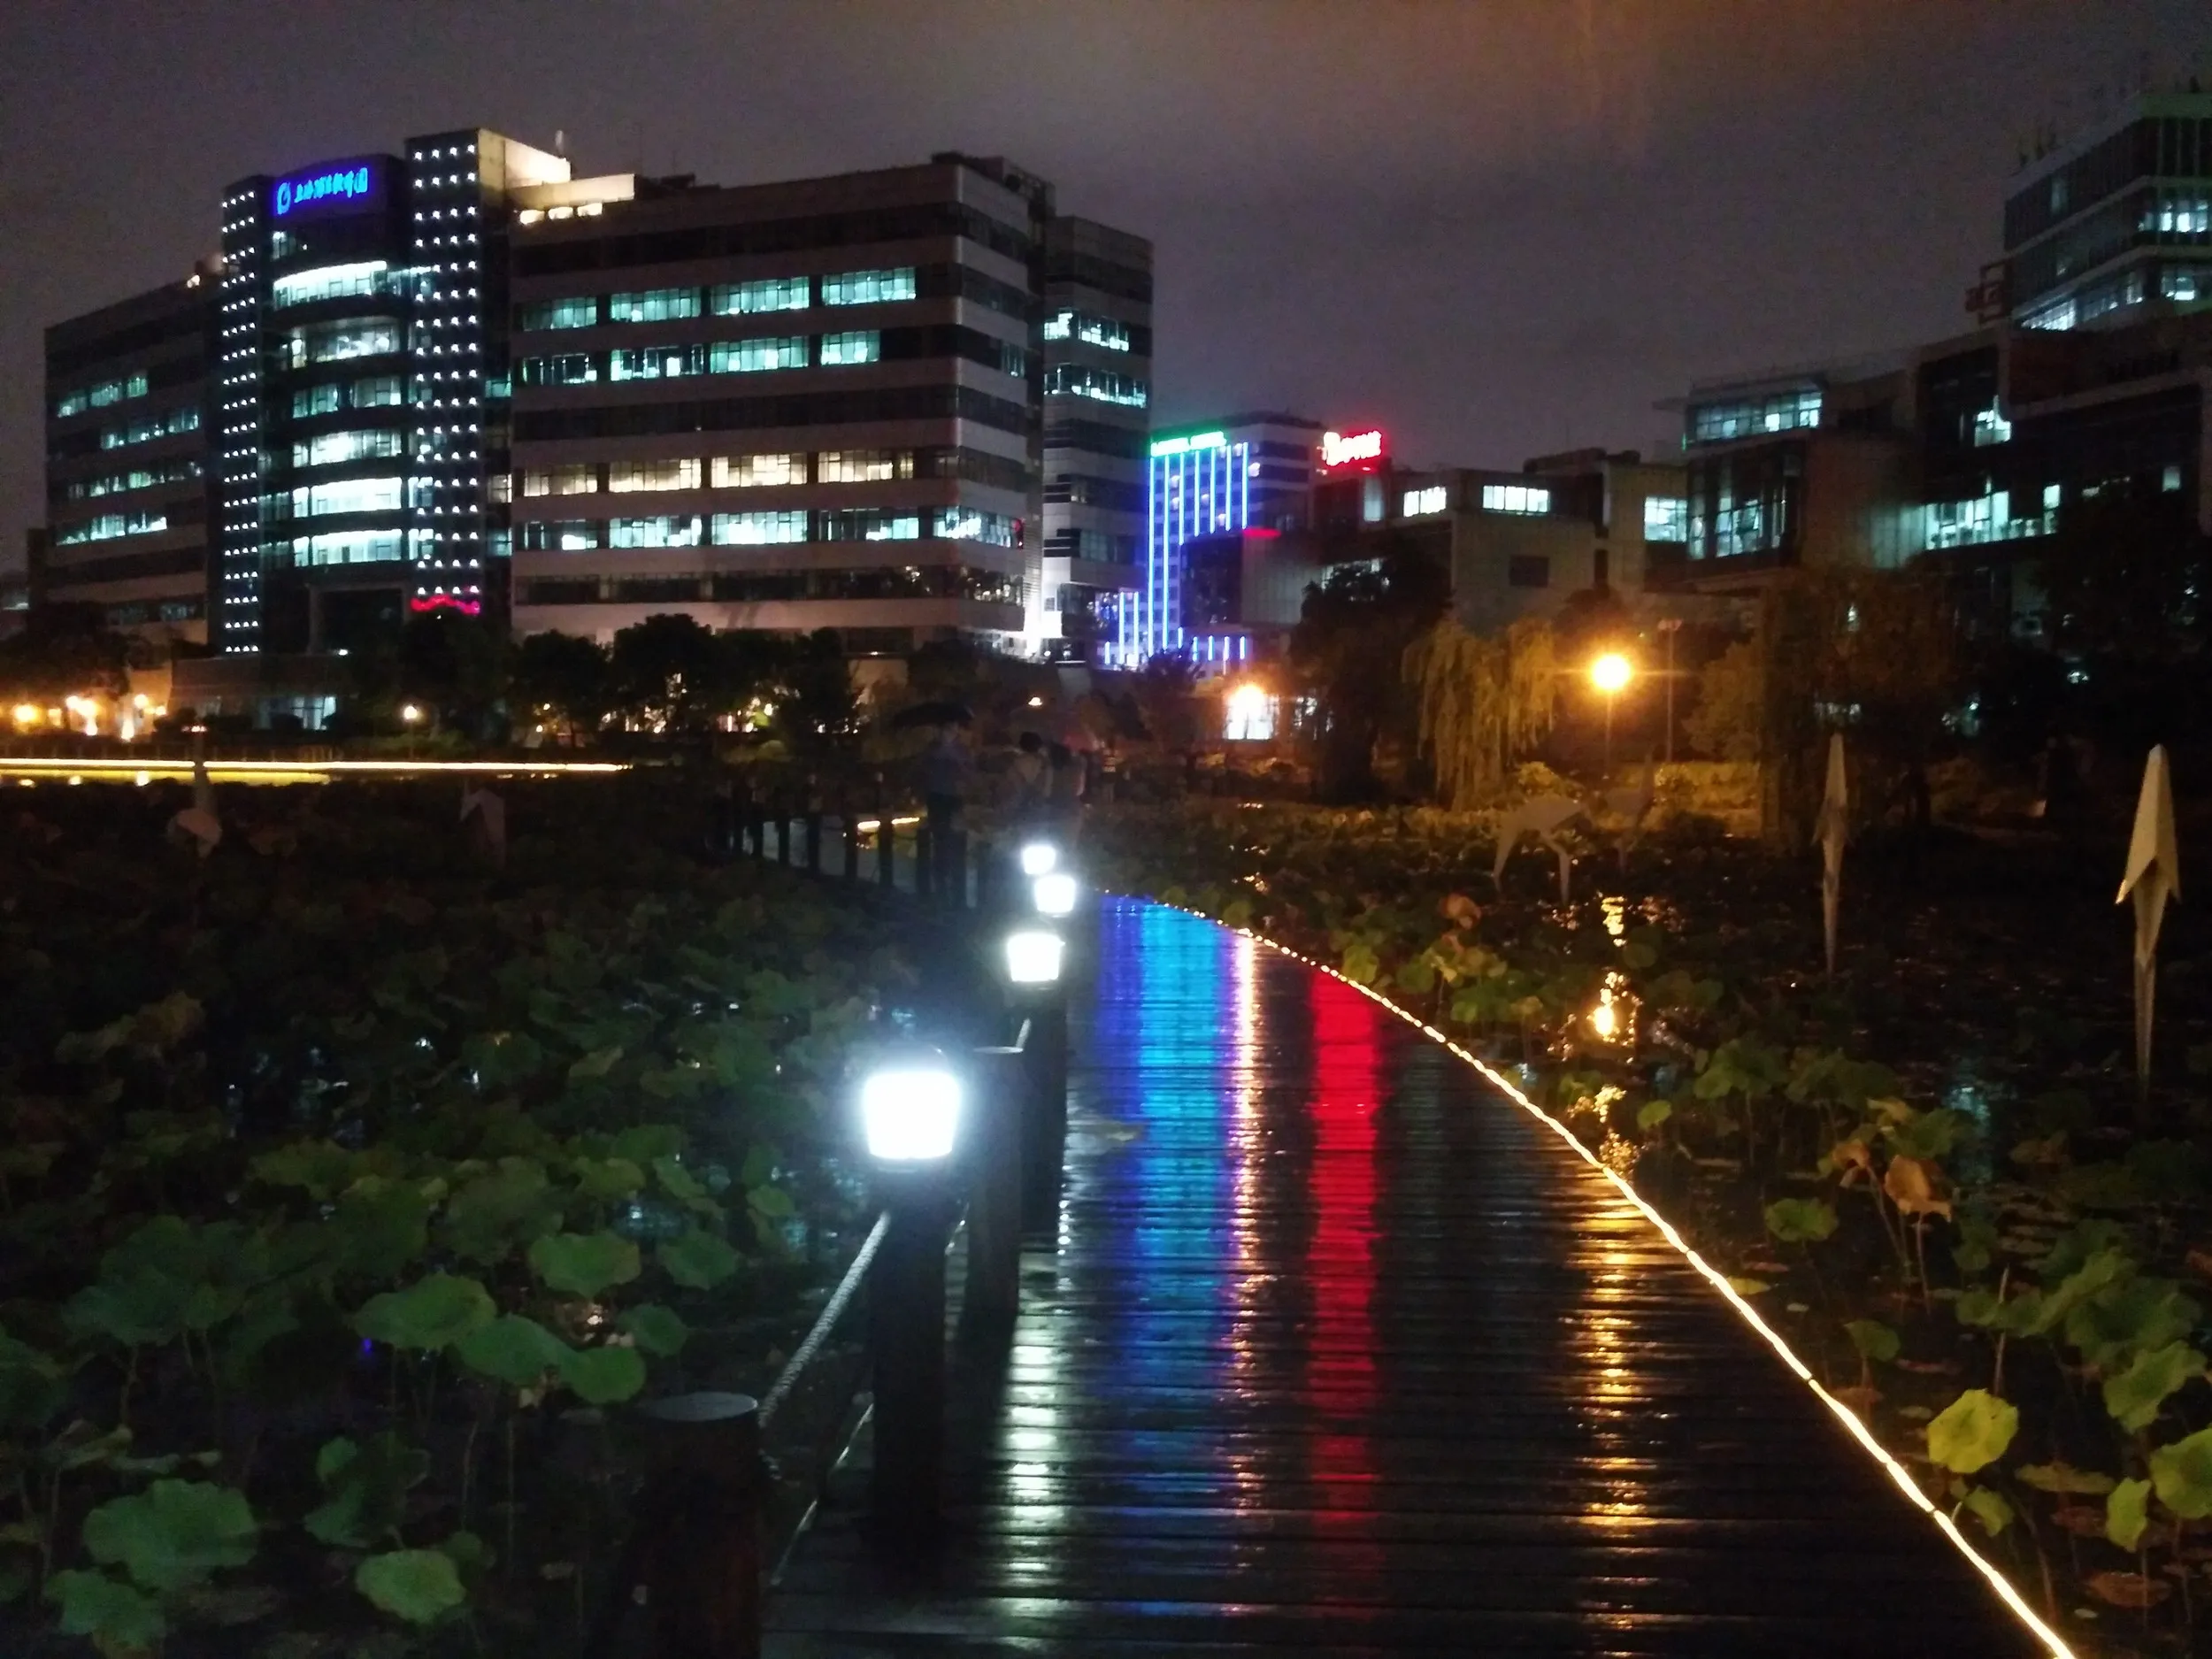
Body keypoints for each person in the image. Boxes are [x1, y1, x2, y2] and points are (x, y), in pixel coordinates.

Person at [919, 721, 972, 890]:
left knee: (955, 836)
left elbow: (968, 771)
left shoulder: (961, 749)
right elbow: (925, 770)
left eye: (953, 728)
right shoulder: (932, 748)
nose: (950, 732)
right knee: (940, 836)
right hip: (937, 797)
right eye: (947, 728)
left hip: (953, 797)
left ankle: (952, 875)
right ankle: (940, 875)